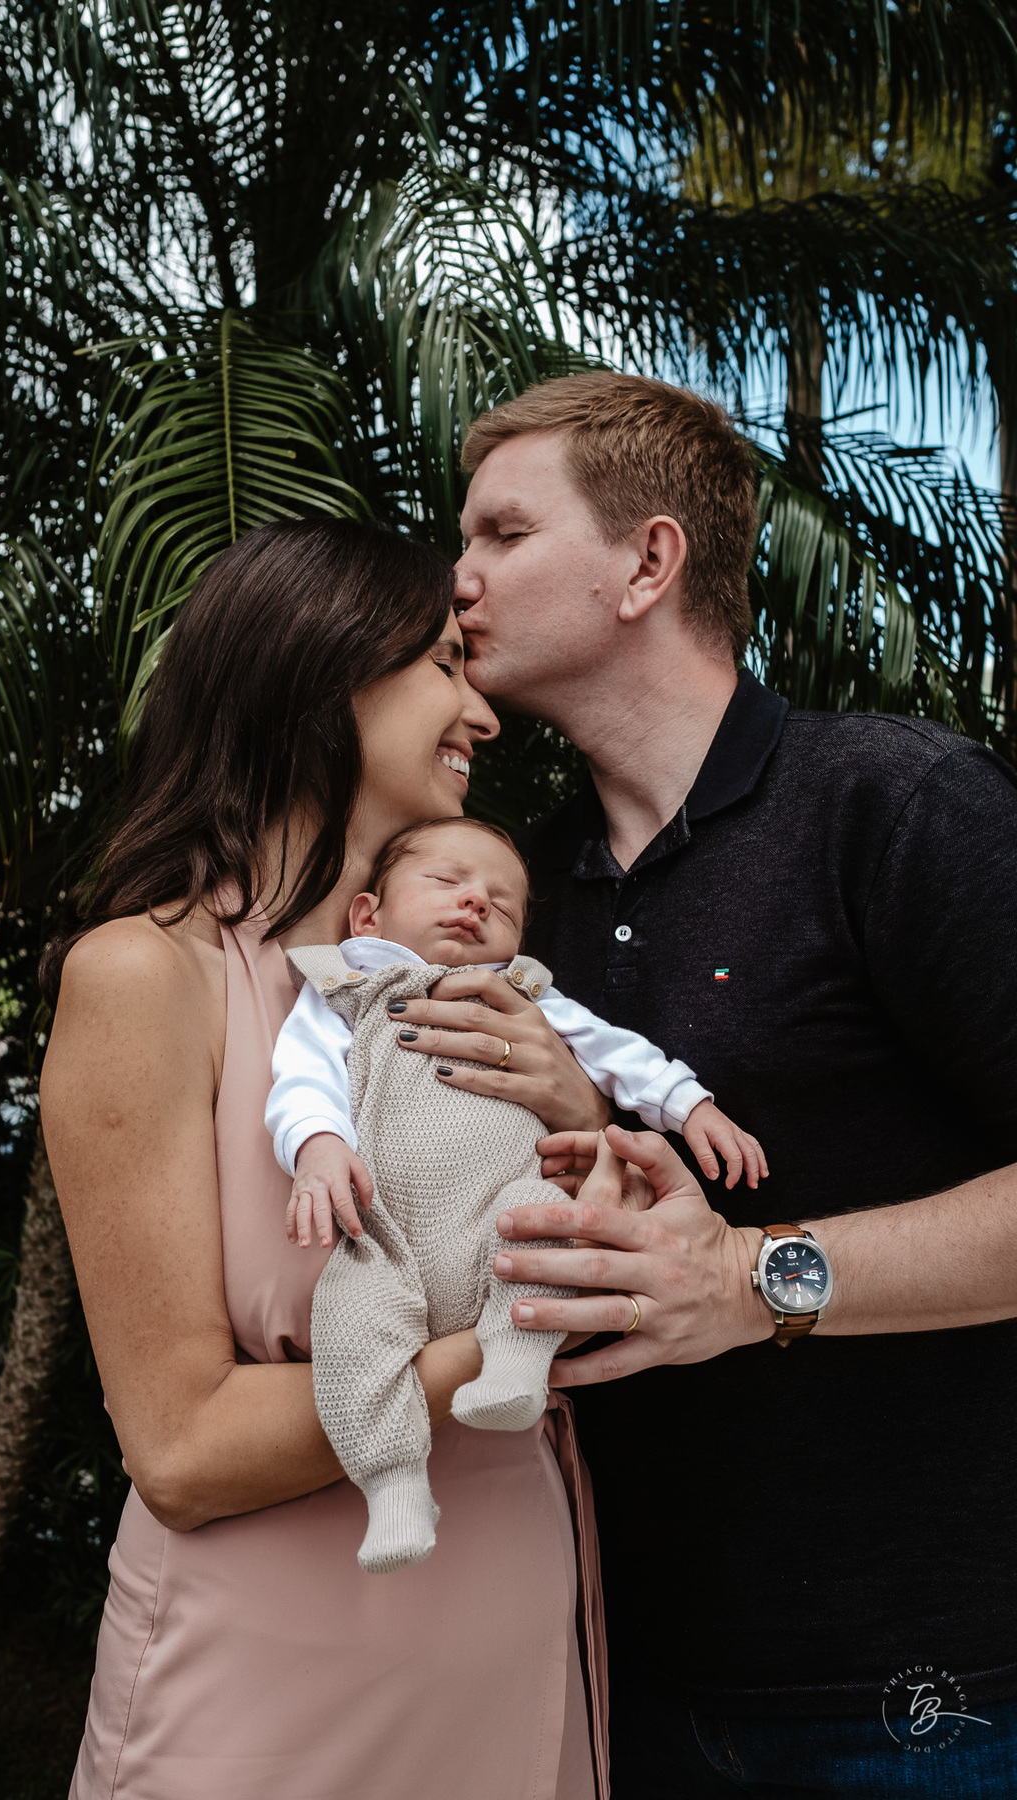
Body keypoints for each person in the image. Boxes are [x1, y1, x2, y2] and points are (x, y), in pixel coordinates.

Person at [386, 371, 1017, 1797]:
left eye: (501, 533)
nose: (458, 579)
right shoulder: (508, 889)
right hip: (619, 1683)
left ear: (648, 563)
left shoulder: (896, 807)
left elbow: (722, 1270)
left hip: (931, 1703)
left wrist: (754, 1279)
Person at [38, 519, 614, 1800]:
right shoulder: (147, 975)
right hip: (269, 1701)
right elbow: (180, 1451)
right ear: (325, 671)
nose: (486, 712)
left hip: (516, 1656)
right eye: (446, 666)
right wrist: (508, 1341)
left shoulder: (494, 991)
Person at [267, 815, 764, 1573]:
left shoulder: (519, 997)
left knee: (548, 1228)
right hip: (386, 1235)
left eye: (501, 904)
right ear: (369, 915)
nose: (474, 904)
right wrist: (317, 1146)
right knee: (347, 1323)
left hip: (504, 1205)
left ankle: (513, 1370)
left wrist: (689, 1104)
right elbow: (301, 1075)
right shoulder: (349, 990)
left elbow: (612, 1051)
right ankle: (394, 1485)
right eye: (446, 882)